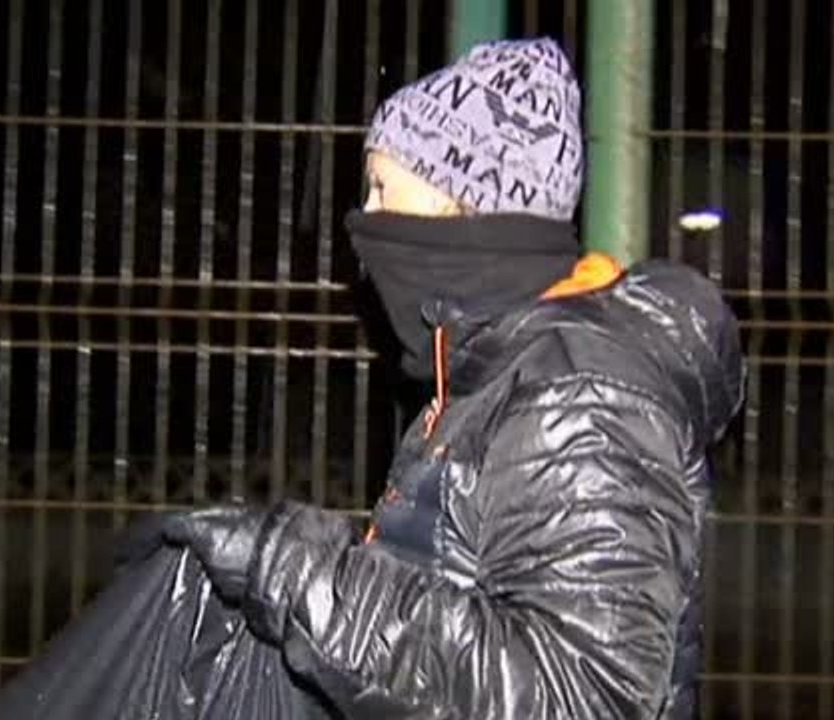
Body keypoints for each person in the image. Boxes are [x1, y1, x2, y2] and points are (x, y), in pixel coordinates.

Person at [160, 37, 745, 719]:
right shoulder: (488, 374)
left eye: (383, 188)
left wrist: (302, 577)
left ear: (452, 200)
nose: (366, 221)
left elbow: (583, 696)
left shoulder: (578, 395)